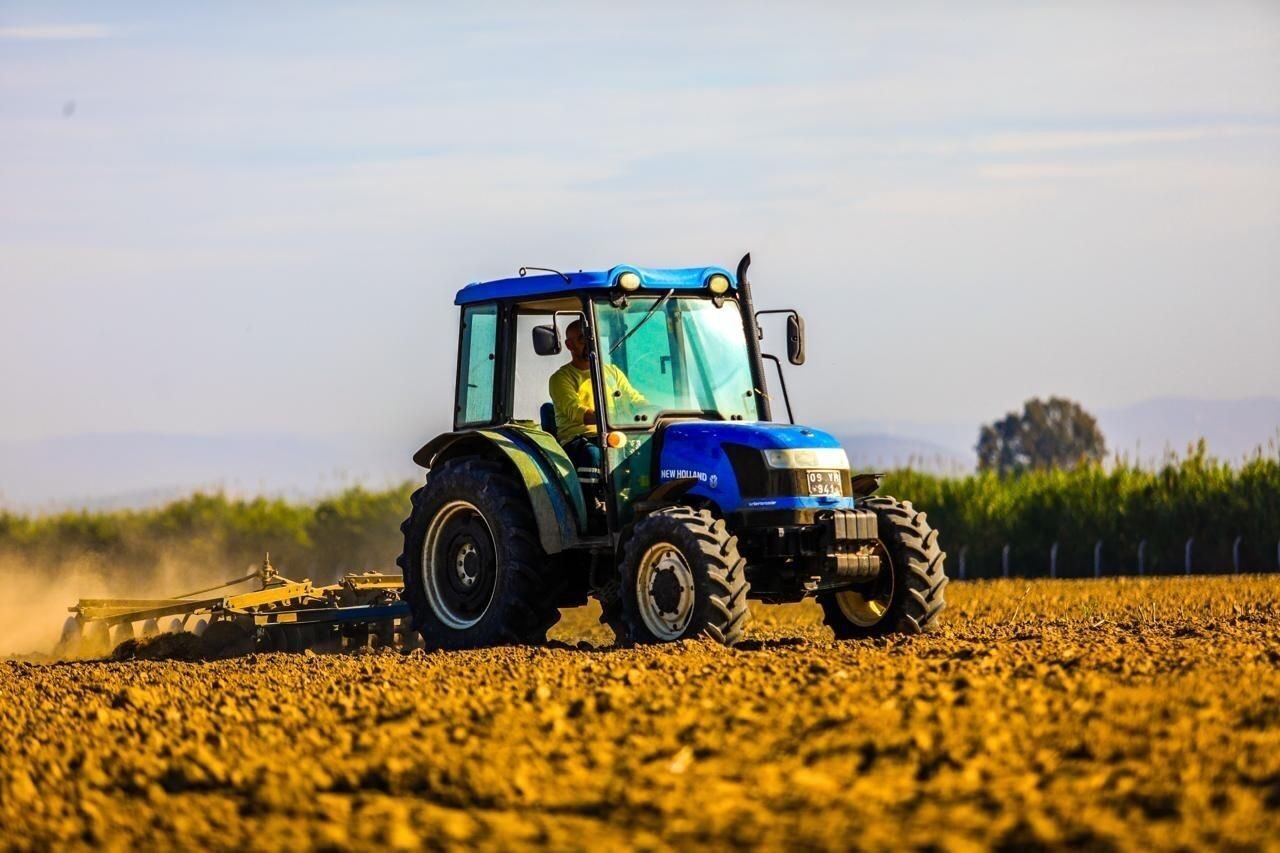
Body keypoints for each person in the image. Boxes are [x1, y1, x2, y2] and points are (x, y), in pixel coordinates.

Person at [548, 319, 646, 512]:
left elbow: (634, 399)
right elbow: (575, 411)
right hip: (579, 439)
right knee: (593, 454)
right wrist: (608, 417)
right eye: (583, 339)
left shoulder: (612, 373)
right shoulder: (561, 378)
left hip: (614, 435)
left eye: (592, 338)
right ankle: (592, 508)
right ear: (569, 345)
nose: (590, 343)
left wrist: (652, 409)